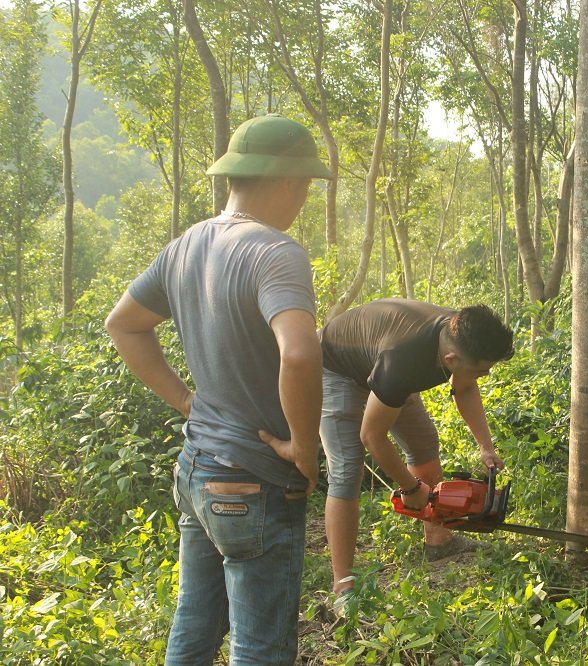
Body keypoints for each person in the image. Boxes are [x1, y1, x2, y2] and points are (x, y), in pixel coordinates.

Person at [105, 114, 331, 665]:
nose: (303, 198)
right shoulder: (276, 252)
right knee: (261, 647)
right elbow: (300, 353)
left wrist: (187, 402)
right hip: (255, 478)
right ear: (286, 182)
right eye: (304, 186)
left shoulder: (186, 246)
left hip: (197, 469)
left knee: (194, 626)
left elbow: (123, 324)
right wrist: (304, 445)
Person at [311, 298, 514, 608]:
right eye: (482, 369)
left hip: (381, 363)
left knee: (423, 444)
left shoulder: (458, 335)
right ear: (451, 358)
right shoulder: (404, 360)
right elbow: (372, 436)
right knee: (347, 469)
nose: (485, 374)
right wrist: (410, 487)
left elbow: (467, 387)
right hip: (336, 367)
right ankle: (343, 586)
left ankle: (438, 541)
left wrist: (485, 446)